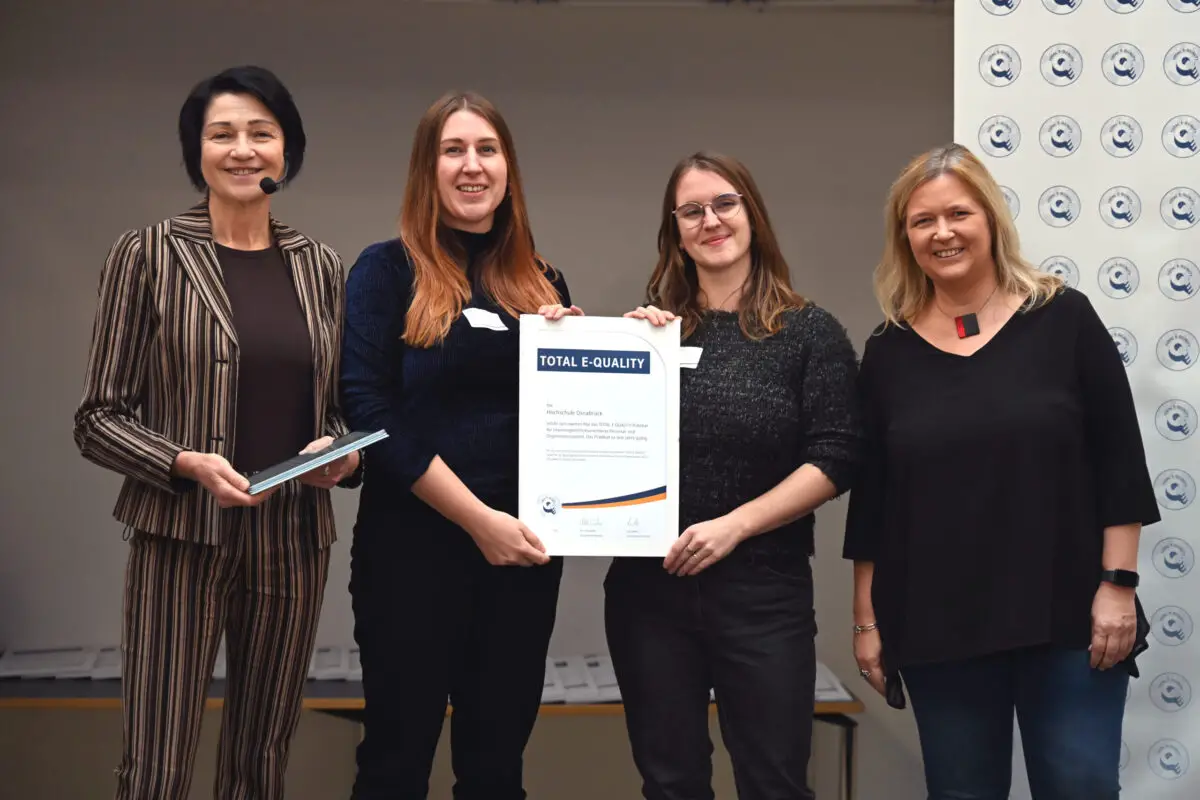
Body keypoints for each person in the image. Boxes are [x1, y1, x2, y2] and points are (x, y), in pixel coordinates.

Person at [73, 65, 360, 800]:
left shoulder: (319, 265)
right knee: (158, 765)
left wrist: (340, 454)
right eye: (222, 133)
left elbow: (334, 408)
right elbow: (97, 419)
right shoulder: (148, 255)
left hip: (293, 542)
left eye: (261, 133)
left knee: (261, 762)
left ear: (286, 153)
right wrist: (184, 462)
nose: (243, 149)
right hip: (179, 538)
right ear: (195, 151)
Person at [842, 143, 1158, 800]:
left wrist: (1118, 585)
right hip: (936, 618)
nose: (942, 232)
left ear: (990, 219)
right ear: (905, 237)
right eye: (922, 220)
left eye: (958, 213)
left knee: (1081, 785)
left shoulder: (1064, 319)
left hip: (1069, 609)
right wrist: (867, 621)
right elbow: (873, 501)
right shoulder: (887, 352)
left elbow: (1120, 459)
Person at [338, 90, 581, 800]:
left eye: (487, 150)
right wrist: (479, 522)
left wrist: (629, 346)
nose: (471, 166)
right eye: (453, 150)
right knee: (393, 763)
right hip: (411, 555)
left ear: (508, 169)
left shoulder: (542, 282)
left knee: (496, 770)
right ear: (428, 169)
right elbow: (369, 409)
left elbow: (570, 414)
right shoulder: (386, 272)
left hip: (523, 561)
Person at [611, 152, 865, 800]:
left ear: (751, 212)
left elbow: (837, 454)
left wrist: (734, 527)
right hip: (650, 593)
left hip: (763, 593)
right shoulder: (650, 335)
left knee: (775, 783)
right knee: (670, 784)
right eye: (692, 210)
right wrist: (619, 360)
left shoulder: (810, 333)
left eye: (724, 203)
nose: (711, 220)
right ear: (675, 229)